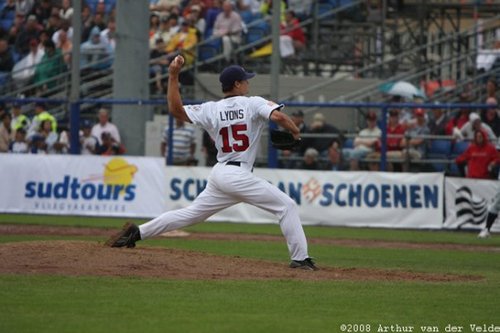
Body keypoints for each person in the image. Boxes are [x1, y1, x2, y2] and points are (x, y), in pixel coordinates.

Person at [106, 57, 318, 271]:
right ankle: (300, 259)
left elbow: (176, 110)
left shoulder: (211, 109)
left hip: (221, 174)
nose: (248, 83)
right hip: (238, 174)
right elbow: (279, 117)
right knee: (287, 206)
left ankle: (136, 232)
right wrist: (296, 131)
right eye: (245, 80)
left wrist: (173, 76)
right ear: (236, 84)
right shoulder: (253, 102)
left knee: (190, 214)